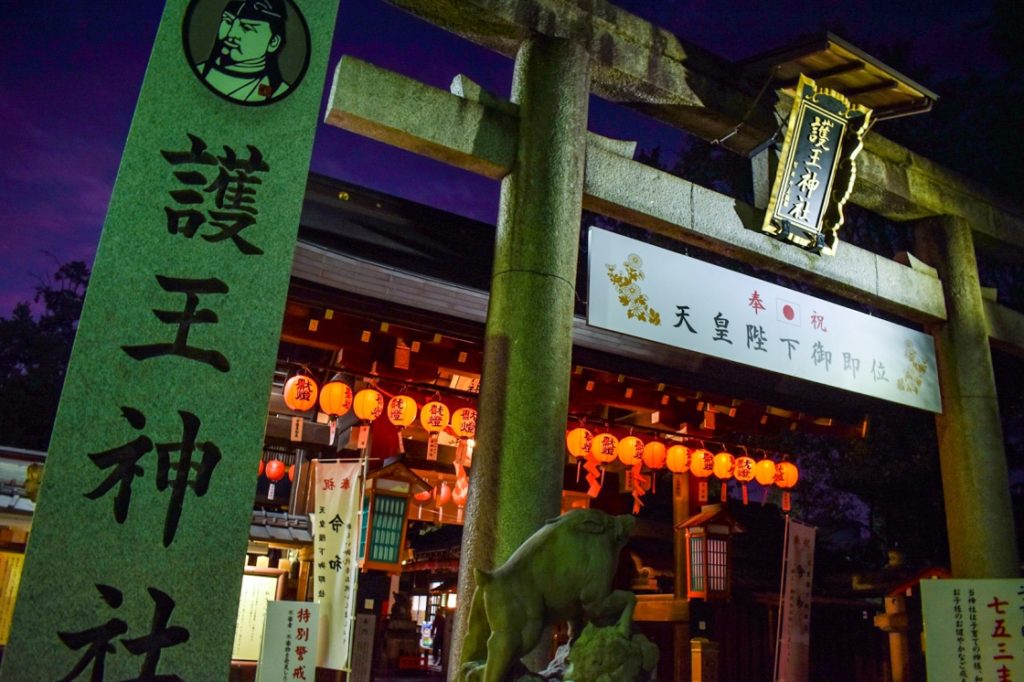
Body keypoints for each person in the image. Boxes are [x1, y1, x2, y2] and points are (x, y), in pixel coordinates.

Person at [197, 0, 290, 102]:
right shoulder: (199, 72)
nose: (231, 34)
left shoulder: (275, 92)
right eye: (228, 21)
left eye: (246, 27)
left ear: (273, 42)